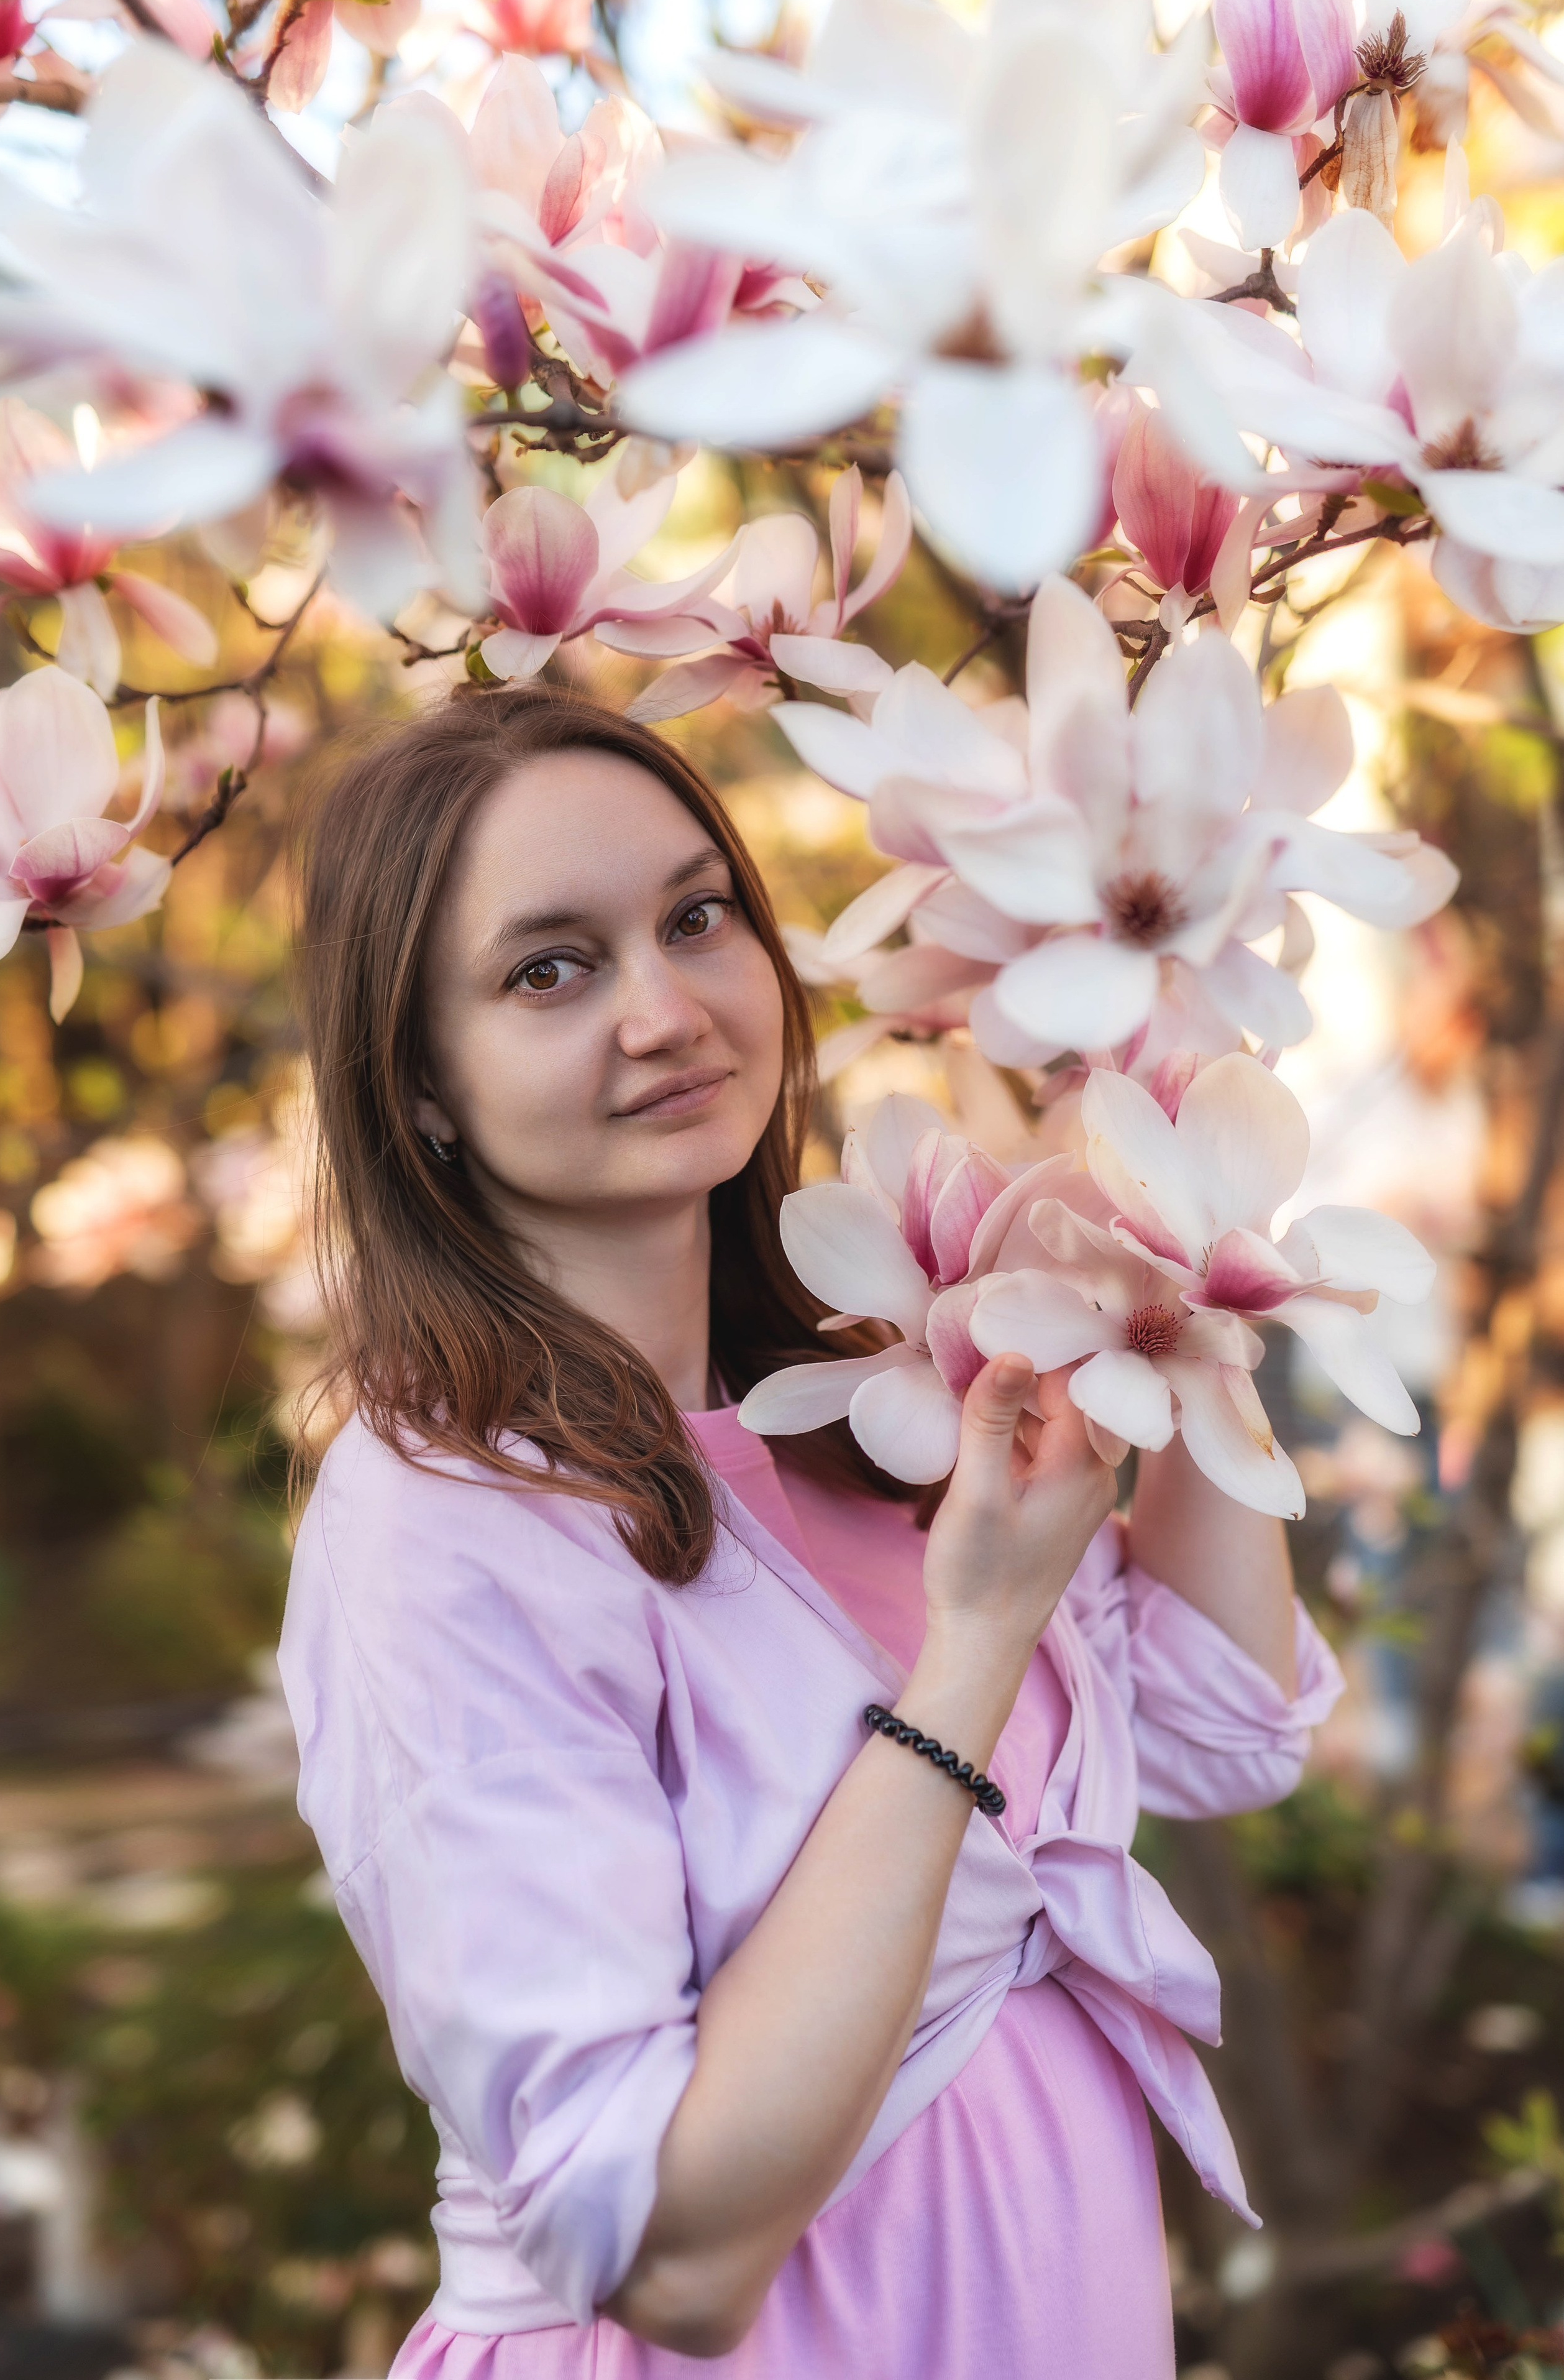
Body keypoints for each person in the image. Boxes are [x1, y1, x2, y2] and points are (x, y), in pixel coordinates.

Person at [280, 683, 1343, 2378]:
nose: (667, 1007)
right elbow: (668, 2245)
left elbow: (1227, 1721)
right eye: (550, 966)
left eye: (696, 916)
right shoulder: (445, 1523)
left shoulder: (872, 1401)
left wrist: (1184, 1244)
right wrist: (982, 1634)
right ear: (418, 1083)